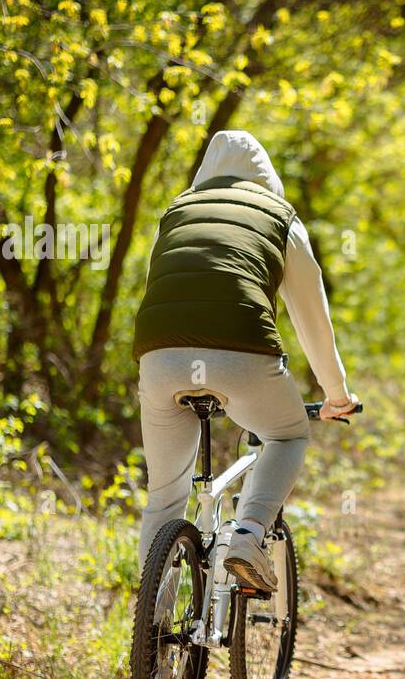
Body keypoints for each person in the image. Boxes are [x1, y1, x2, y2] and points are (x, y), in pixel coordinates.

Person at [131, 130, 358, 592]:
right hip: (243, 354)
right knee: (287, 433)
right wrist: (336, 393)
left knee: (164, 498)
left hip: (158, 356)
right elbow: (311, 314)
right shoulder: (281, 216)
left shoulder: (175, 211)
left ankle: (151, 645)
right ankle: (249, 534)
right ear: (266, 177)